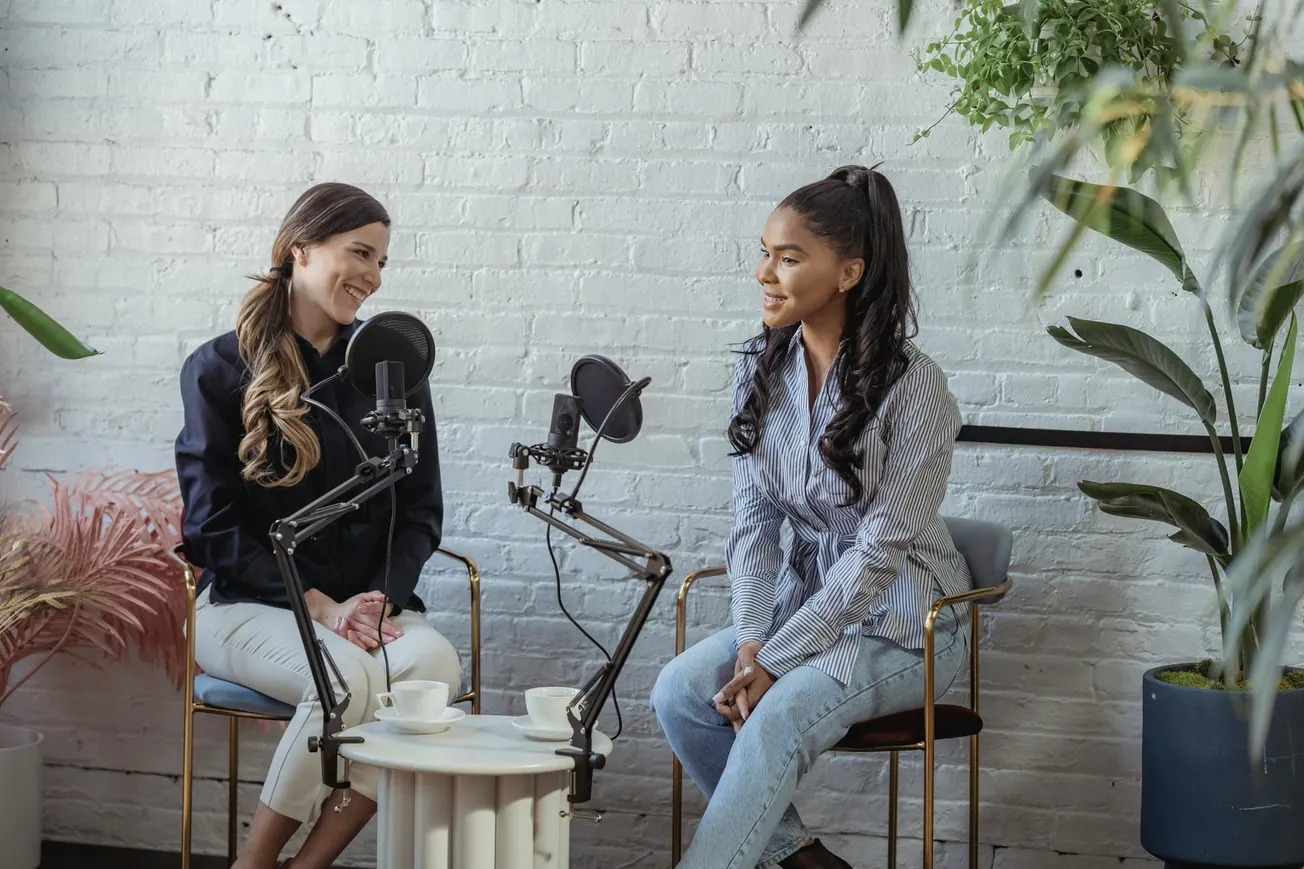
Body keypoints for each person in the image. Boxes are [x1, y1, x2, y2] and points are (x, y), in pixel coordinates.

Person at [651, 164, 972, 869]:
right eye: (765, 252)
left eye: (790, 258)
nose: (766, 272)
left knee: (778, 714)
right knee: (679, 692)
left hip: (907, 623)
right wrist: (751, 638)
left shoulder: (917, 387)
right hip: (806, 609)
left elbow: (880, 552)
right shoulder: (760, 365)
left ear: (849, 271)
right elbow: (753, 525)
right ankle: (802, 860)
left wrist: (774, 657)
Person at [175, 182, 463, 869]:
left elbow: (421, 508)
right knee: (344, 684)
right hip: (248, 606)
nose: (372, 275)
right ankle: (255, 861)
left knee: (433, 668)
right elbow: (211, 525)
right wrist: (321, 606)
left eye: (382, 261)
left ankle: (307, 866)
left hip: (363, 610)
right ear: (301, 249)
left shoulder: (393, 366)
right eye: (359, 251)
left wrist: (378, 599)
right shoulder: (218, 368)